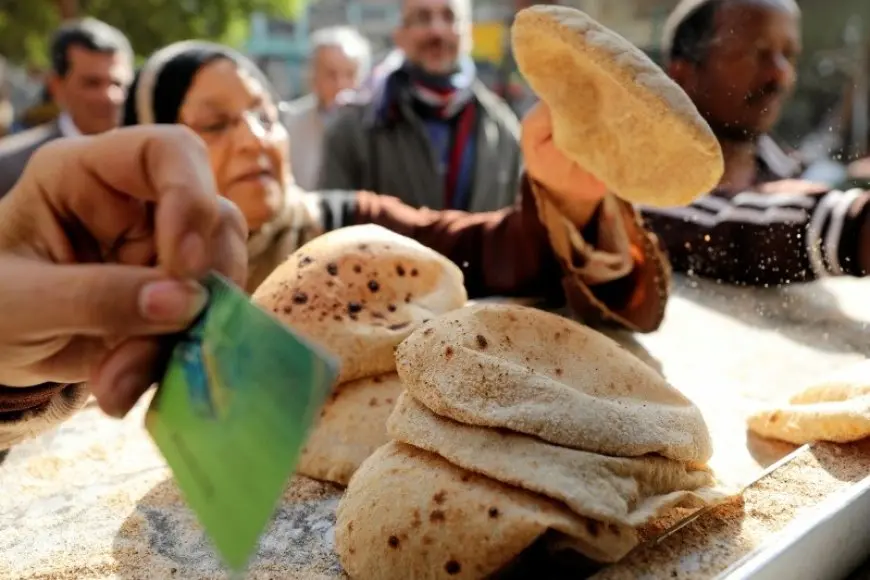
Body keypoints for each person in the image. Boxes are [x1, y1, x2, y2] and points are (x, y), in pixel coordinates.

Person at [0, 39, 671, 447]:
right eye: (214, 123)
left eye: (265, 113)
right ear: (146, 148)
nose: (256, 138)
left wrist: (568, 194)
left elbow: (494, 251)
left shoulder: (347, 227)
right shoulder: (113, 275)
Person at [641, 0, 870, 285]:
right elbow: (719, 226)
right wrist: (854, 228)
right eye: (757, 53)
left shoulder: (786, 169)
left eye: (788, 55)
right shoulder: (636, 174)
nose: (781, 74)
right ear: (682, 73)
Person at [318, 0, 521, 213]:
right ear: (400, 35)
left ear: (468, 32)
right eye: (422, 18)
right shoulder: (355, 130)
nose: (436, 31)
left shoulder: (504, 131)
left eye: (449, 16)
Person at [0, 18, 133, 199]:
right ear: (57, 87)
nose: (109, 96)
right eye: (92, 83)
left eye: (118, 84)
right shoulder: (11, 167)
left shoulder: (151, 160)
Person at [282, 26, 371, 190]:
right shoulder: (289, 124)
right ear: (313, 77)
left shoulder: (378, 127)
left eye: (350, 75)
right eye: (331, 74)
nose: (341, 85)